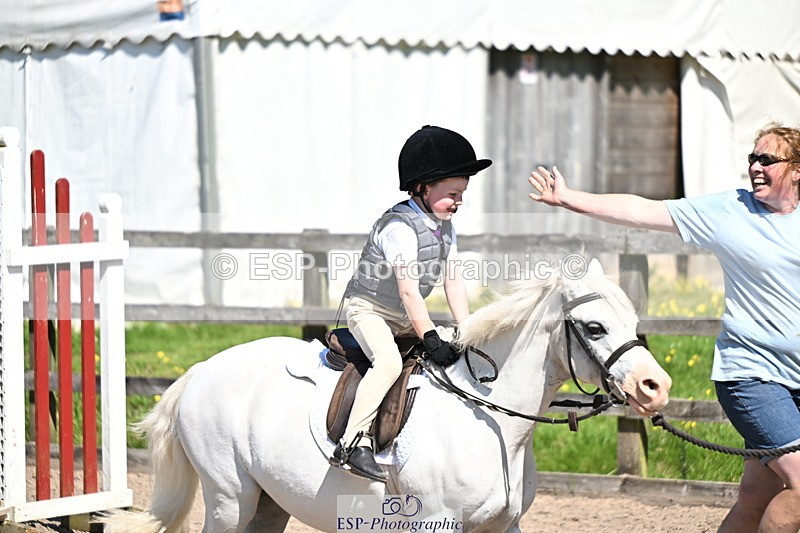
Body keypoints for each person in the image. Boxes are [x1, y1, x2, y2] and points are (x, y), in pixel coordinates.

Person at [528, 122, 800, 532]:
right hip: (753, 375)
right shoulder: (731, 211)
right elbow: (642, 210)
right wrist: (569, 198)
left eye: (767, 159)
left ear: (796, 169)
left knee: (757, 496)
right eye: (752, 158)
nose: (755, 167)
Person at [330, 125, 492, 482]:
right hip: (370, 311)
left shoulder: (445, 227)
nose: (459, 201)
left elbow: (453, 280)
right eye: (453, 194)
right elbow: (408, 292)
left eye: (462, 193)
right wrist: (429, 336)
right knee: (388, 363)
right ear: (423, 188)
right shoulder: (398, 228)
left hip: (403, 317)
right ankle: (352, 442)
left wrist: (466, 329)